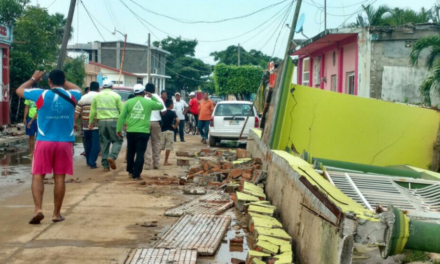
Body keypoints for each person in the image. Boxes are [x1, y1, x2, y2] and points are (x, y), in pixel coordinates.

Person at [16, 69, 82, 224]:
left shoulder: (41, 94)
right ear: (64, 81)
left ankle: (38, 209)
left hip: (44, 141)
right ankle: (56, 214)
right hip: (65, 142)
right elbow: (78, 88)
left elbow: (19, 90)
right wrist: (63, 81)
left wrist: (33, 78)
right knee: (59, 177)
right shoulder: (73, 95)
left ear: (49, 81)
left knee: (38, 175)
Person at [116, 84, 164, 180]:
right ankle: (137, 174)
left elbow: (122, 117)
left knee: (131, 152)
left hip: (131, 131)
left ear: (134, 92)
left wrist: (118, 129)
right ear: (144, 92)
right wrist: (152, 96)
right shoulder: (148, 102)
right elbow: (160, 106)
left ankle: (130, 171)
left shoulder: (129, 102)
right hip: (143, 132)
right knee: (140, 153)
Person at [89, 79, 123, 171]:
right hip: (113, 121)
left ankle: (105, 165)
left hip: (101, 122)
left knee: (104, 142)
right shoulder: (116, 96)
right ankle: (112, 157)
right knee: (117, 140)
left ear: (102, 87)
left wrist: (91, 122)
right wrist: (123, 123)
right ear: (112, 87)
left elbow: (92, 111)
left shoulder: (97, 96)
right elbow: (122, 111)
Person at [74, 82, 100, 169]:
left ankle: (88, 161)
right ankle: (92, 162)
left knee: (88, 143)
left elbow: (77, 112)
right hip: (96, 124)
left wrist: (75, 123)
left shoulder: (83, 98)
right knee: (96, 144)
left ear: (90, 88)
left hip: (85, 124)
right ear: (98, 88)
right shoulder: (99, 97)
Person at [144, 83, 166, 170]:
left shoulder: (143, 98)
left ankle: (147, 164)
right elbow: (164, 111)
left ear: (146, 90)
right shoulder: (158, 98)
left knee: (147, 143)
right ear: (155, 90)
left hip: (145, 123)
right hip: (156, 122)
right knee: (156, 142)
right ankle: (156, 163)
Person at [161, 99, 179, 166]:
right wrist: (175, 126)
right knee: (168, 147)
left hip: (162, 130)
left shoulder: (162, 112)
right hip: (170, 131)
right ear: (171, 105)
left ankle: (156, 160)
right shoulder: (172, 112)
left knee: (160, 146)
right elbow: (178, 121)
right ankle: (165, 161)